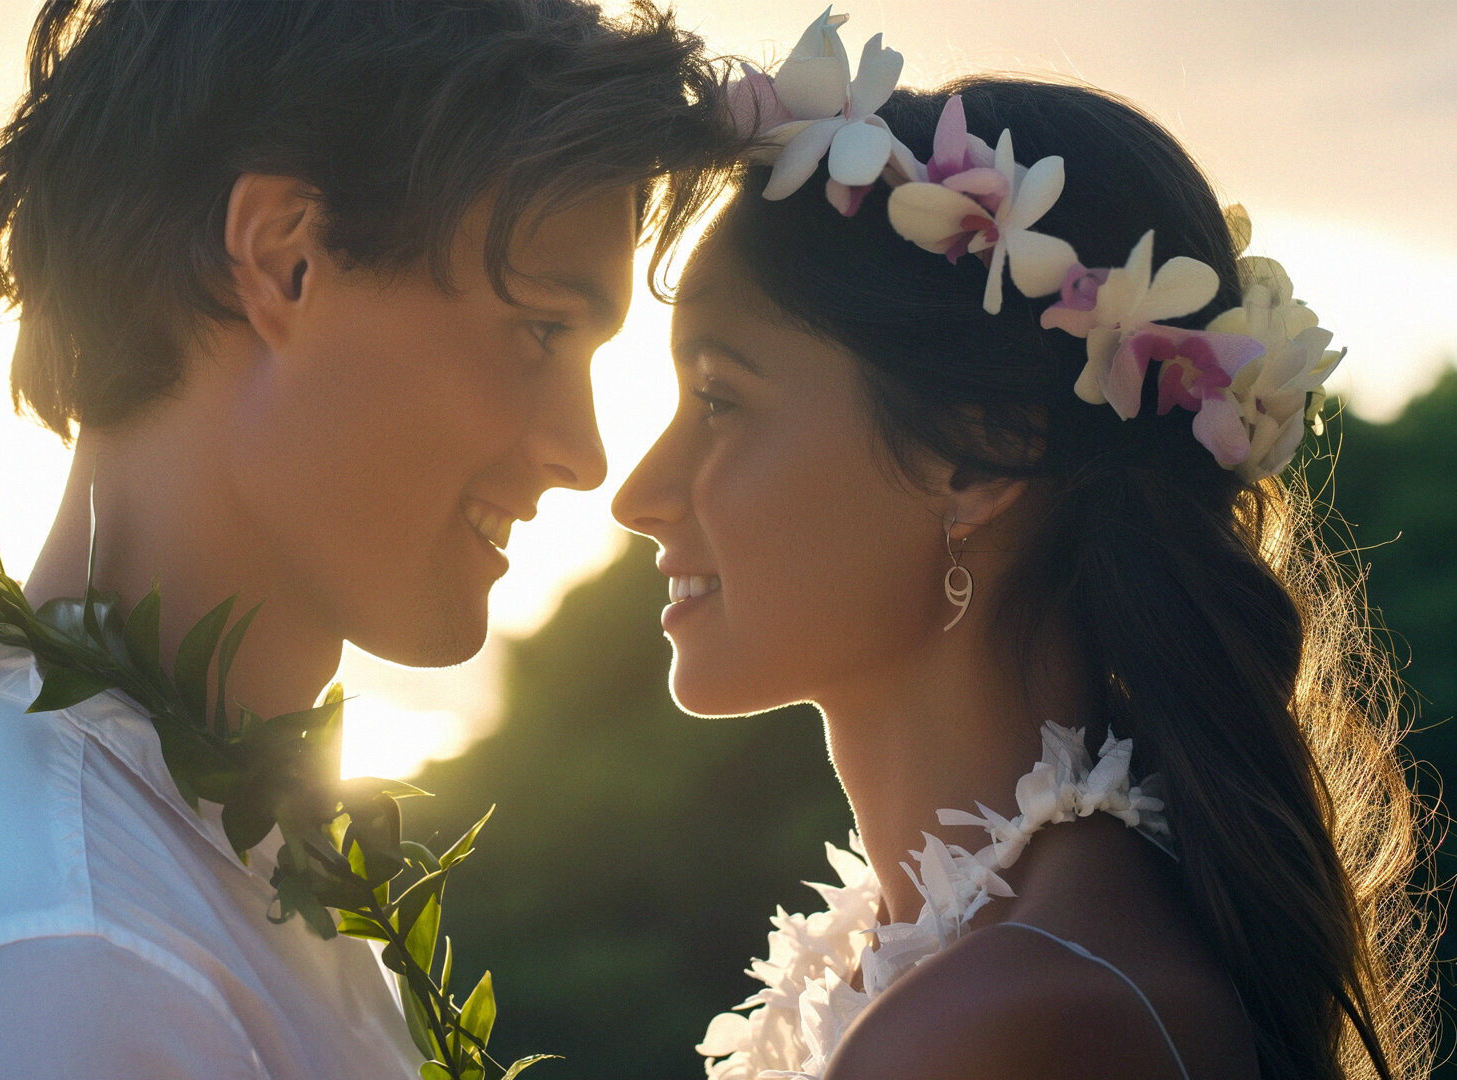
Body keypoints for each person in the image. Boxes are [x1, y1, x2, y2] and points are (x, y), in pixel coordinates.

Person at [0, 2, 739, 1077]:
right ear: (285, 262)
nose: (583, 454)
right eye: (542, 330)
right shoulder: (79, 975)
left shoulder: (167, 872)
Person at [612, 11, 1436, 1080]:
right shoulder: (1007, 968)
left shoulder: (1005, 1024)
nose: (637, 494)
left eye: (718, 398)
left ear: (983, 452)